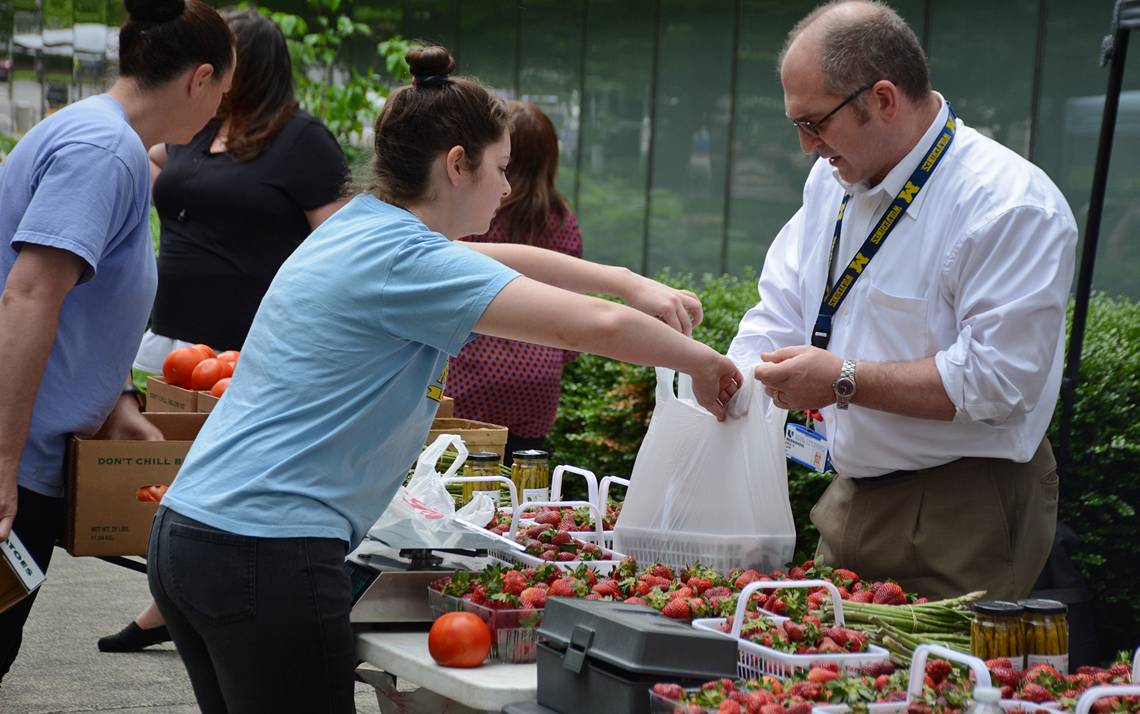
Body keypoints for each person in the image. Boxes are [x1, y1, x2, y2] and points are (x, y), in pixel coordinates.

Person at [147, 45, 741, 712]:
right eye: (501, 168)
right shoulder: (408, 261)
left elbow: (495, 257)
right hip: (266, 553)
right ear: (458, 164)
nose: (509, 188)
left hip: (193, 535)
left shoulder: (361, 228)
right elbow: (593, 328)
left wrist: (630, 282)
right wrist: (708, 365)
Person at [727, 0, 1077, 601]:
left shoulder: (1008, 204)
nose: (807, 147)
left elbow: (998, 382)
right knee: (820, 672)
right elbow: (782, 306)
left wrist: (843, 381)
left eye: (815, 123)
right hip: (850, 493)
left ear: (884, 99)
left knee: (928, 685)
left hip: (964, 505)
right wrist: (728, 381)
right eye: (797, 126)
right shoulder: (833, 178)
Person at [97, 8, 349, 654]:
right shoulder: (193, 128)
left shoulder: (300, 140)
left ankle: (167, 609)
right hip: (169, 343)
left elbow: (341, 244)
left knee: (211, 487)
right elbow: (151, 162)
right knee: (173, 483)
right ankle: (173, 599)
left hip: (241, 352)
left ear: (253, 66)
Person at [0, 0, 235, 684]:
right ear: (198, 79)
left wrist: (119, 396)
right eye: (224, 89)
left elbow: (81, 304)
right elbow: (30, 295)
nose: (221, 107)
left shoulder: (100, 140)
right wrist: (4, 462)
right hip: (18, 460)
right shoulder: (104, 151)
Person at [447, 100, 581, 460]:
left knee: (461, 477)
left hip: (472, 373)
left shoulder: (477, 213)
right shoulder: (560, 219)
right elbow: (572, 310)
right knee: (522, 480)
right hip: (539, 379)